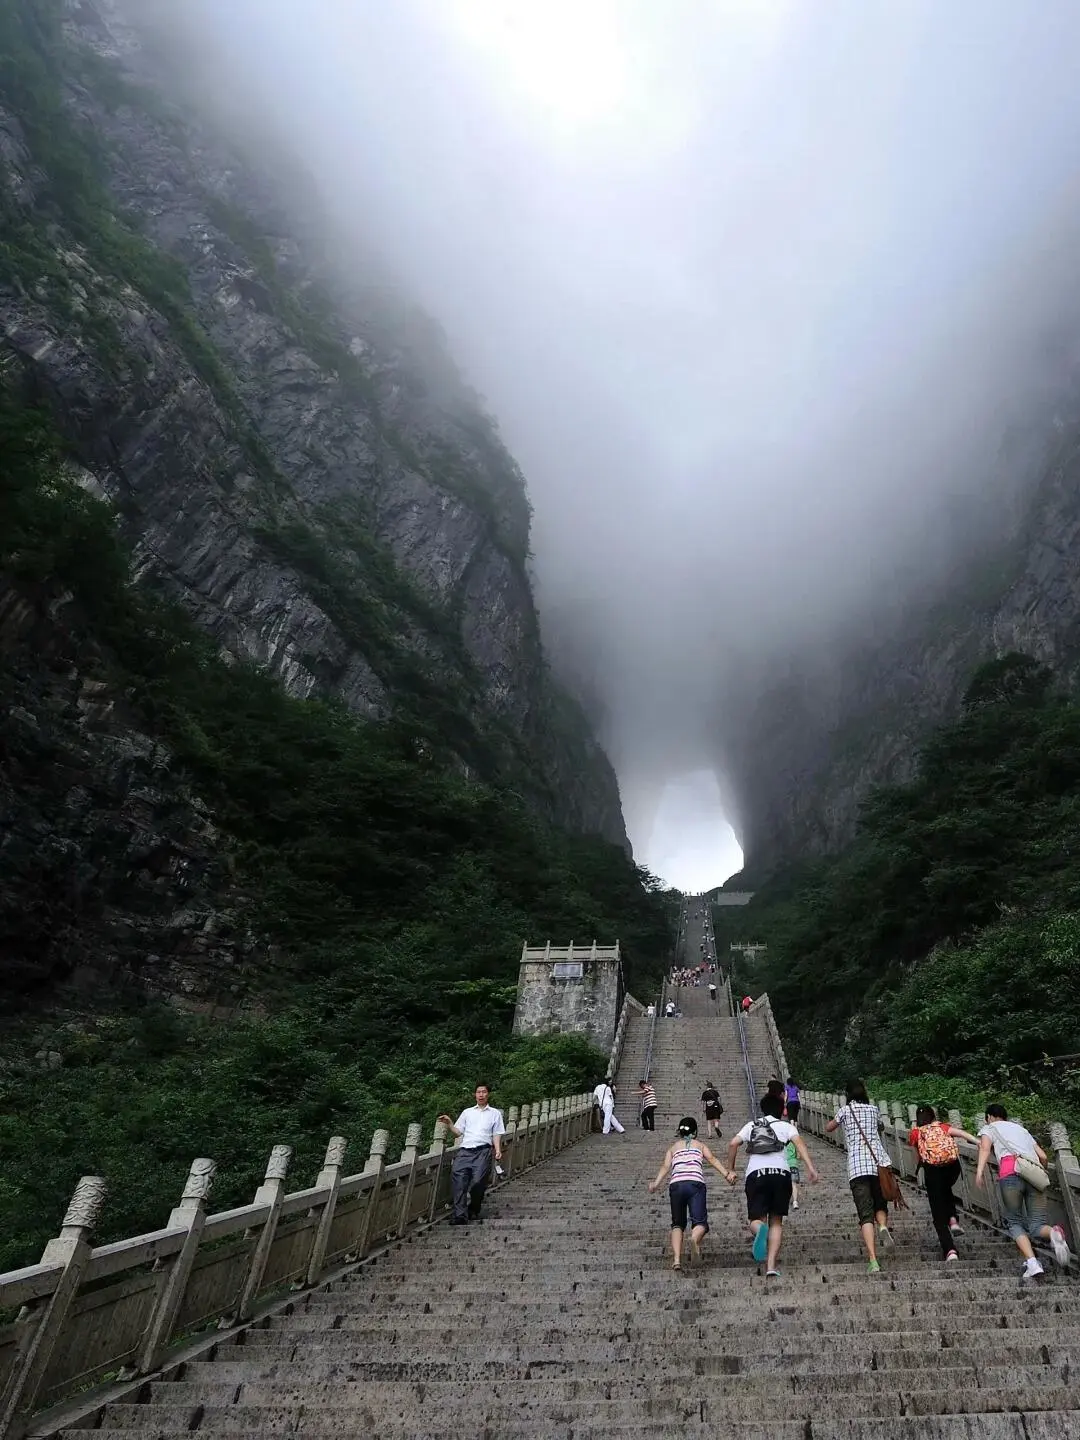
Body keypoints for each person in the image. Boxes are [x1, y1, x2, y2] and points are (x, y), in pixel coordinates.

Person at [976, 1103, 1071, 1279]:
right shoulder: (1021, 1129)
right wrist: (1038, 1173)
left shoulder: (989, 1128)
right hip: (1034, 1176)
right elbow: (1042, 1156)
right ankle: (1053, 1233)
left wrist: (980, 1171)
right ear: (1005, 1116)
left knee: (1014, 1221)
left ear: (989, 1117)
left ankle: (1033, 1264)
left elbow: (984, 1148)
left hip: (1010, 1174)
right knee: (1037, 1226)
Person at [729, 1093, 818, 1278]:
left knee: (757, 1219)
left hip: (756, 1174)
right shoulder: (786, 1126)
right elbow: (800, 1145)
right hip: (781, 1174)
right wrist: (810, 1167)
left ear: (762, 1108)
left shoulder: (752, 1125)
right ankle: (770, 1266)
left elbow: (733, 1143)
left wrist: (730, 1169)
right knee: (776, 1221)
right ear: (781, 1110)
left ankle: (759, 1229)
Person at [648, 1116, 737, 1270]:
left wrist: (655, 1183)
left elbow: (665, 1166)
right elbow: (713, 1160)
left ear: (680, 1132)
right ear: (695, 1132)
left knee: (677, 1223)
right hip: (695, 1184)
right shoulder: (700, 1145)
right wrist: (727, 1174)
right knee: (700, 1222)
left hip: (676, 1185)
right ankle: (694, 1239)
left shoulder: (673, 1147)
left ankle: (676, 1260)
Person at [826, 1080, 895, 1274]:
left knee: (865, 1215)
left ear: (848, 1094)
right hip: (878, 1165)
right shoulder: (873, 1110)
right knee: (880, 1204)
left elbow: (829, 1127)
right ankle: (882, 1226)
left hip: (857, 1167)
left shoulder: (845, 1110)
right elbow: (880, 1127)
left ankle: (873, 1260)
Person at [908, 1105, 976, 1262]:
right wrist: (978, 1142)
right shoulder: (942, 1127)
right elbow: (962, 1134)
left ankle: (950, 1250)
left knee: (938, 1212)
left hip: (932, 1171)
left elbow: (916, 1156)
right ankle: (953, 1220)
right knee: (946, 1189)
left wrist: (917, 1169)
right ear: (933, 1116)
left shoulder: (916, 1133)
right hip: (952, 1168)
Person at [438, 1084, 505, 1226]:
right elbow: (458, 1132)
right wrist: (449, 1123)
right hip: (465, 1151)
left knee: (478, 1182)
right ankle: (460, 1215)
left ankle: (473, 1208)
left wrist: (498, 1149)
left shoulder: (495, 1113)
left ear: (488, 1094)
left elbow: (496, 1133)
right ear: (475, 1095)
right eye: (478, 1092)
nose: (481, 1094)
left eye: (484, 1092)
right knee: (459, 1181)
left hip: (483, 1151)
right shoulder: (467, 1112)